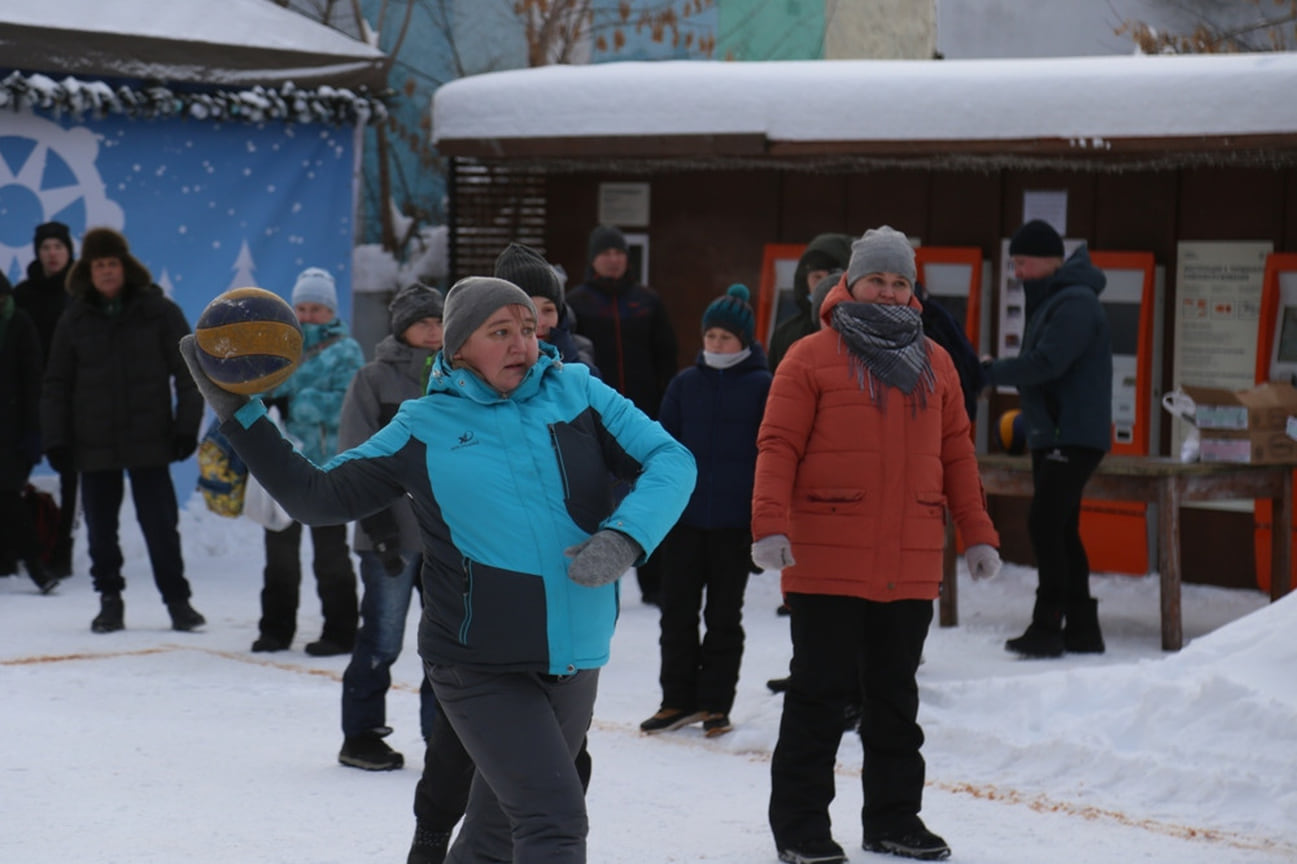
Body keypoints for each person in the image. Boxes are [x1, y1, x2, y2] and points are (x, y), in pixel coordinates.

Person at [178, 275, 695, 864]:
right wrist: (240, 414)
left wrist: (626, 535)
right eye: (499, 332)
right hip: (479, 663)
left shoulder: (579, 392)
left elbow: (671, 459)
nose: (522, 344)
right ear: (457, 349)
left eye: (527, 329)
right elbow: (316, 497)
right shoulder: (422, 427)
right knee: (554, 821)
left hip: (578, 655)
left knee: (497, 832)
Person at [751, 226, 1002, 863]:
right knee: (819, 697)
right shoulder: (809, 357)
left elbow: (957, 455)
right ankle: (802, 829)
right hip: (827, 560)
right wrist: (769, 525)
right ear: (851, 284)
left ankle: (894, 820)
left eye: (899, 281)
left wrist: (977, 532)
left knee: (894, 700)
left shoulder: (936, 361)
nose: (889, 292)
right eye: (877, 280)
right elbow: (777, 447)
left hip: (910, 560)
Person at [40, 227, 205, 633]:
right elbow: (56, 383)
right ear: (89, 271)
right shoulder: (74, 318)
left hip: (150, 439)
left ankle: (178, 601)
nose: (107, 271)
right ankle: (109, 601)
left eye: (112, 263)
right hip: (92, 444)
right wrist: (56, 439)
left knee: (161, 526)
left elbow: (190, 372)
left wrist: (186, 427)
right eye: (99, 265)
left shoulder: (159, 311)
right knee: (100, 530)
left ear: (125, 267)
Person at [641, 283, 771, 738]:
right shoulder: (685, 384)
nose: (716, 344)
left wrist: (761, 520)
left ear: (745, 341)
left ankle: (716, 704)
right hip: (684, 522)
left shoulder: (763, 387)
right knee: (676, 612)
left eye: (725, 337)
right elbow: (662, 448)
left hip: (734, 525)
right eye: (710, 335)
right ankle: (676, 699)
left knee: (723, 617)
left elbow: (769, 456)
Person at [981, 219, 1112, 658]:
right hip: (1055, 432)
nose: (1016, 272)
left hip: (1068, 434)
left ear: (1050, 261)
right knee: (1062, 528)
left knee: (1044, 522)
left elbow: (1046, 364)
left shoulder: (1073, 303)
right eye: (1013, 263)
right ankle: (1082, 629)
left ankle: (1048, 624)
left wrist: (989, 371)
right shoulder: (1055, 301)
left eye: (1022, 262)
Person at [336, 282, 444, 771]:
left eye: (441, 322)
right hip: (392, 538)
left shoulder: (459, 377)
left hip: (448, 540)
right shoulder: (373, 380)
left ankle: (443, 738)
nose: (435, 332)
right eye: (424, 322)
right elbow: (356, 459)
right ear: (402, 328)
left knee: (445, 644)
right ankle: (360, 735)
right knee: (382, 637)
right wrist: (379, 529)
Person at [252, 267, 363, 656]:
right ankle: (275, 629)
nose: (308, 315)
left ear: (331, 310)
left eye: (317, 308)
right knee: (279, 556)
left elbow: (347, 405)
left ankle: (341, 630)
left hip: (326, 468)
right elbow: (260, 389)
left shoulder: (346, 350)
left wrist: (297, 404)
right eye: (302, 307)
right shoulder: (281, 346)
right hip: (282, 465)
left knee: (331, 556)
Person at [566, 225, 678, 606]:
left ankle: (655, 580)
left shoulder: (647, 301)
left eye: (619, 252)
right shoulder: (577, 302)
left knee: (647, 489)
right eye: (605, 252)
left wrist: (664, 403)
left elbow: (666, 355)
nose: (613, 258)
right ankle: (588, 567)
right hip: (595, 415)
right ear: (593, 259)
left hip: (643, 412)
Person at [14, 221, 78, 577]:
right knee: (11, 475)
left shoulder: (81, 294)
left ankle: (63, 551)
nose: (52, 253)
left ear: (69, 251)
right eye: (45, 247)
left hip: (72, 400)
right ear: (37, 252)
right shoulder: (23, 295)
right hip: (28, 399)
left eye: (58, 246)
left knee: (72, 475)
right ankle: (18, 548)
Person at [0, 271, 58, 593]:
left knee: (8, 496)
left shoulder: (19, 324)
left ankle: (37, 567)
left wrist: (34, 432)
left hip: (12, 430)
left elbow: (33, 380)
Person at [494, 242, 599, 375]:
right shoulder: (483, 361)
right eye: (529, 311)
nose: (541, 322)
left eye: (548, 310)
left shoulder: (580, 355)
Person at [767, 233, 853, 372]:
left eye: (832, 275)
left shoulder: (861, 329)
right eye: (816, 277)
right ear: (804, 280)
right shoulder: (786, 333)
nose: (824, 283)